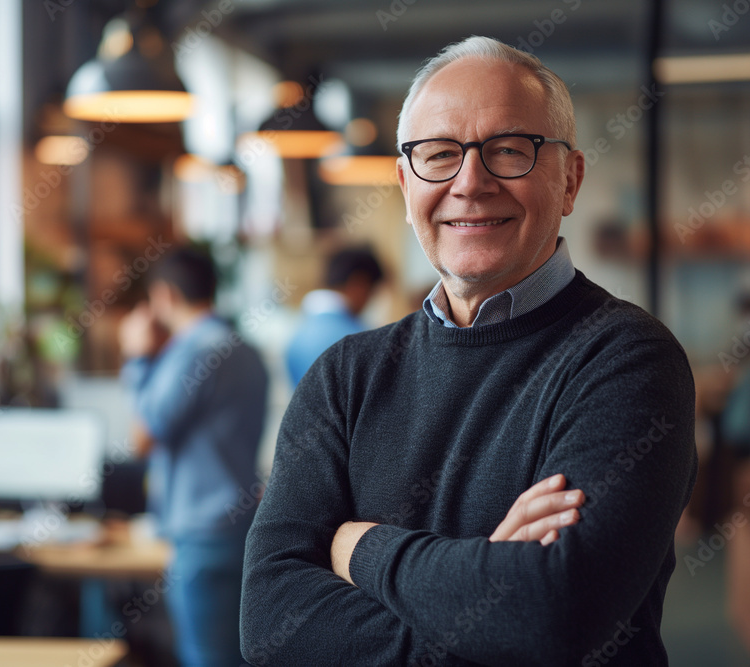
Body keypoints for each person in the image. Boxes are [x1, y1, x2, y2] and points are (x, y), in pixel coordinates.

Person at [241, 36, 698, 666]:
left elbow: (552, 614)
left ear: (570, 179)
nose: (470, 182)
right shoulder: (345, 377)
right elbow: (270, 624)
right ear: (405, 186)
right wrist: (485, 599)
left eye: (510, 150)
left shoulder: (627, 360)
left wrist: (360, 548)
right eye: (439, 154)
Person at [119, 246, 269, 666]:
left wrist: (136, 356)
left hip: (202, 532)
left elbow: (142, 437)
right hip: (241, 525)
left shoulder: (191, 351)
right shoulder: (246, 349)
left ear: (164, 296)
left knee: (205, 657)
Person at [284, 246, 384, 386]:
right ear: (359, 284)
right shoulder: (362, 337)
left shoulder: (297, 335)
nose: (369, 302)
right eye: (372, 294)